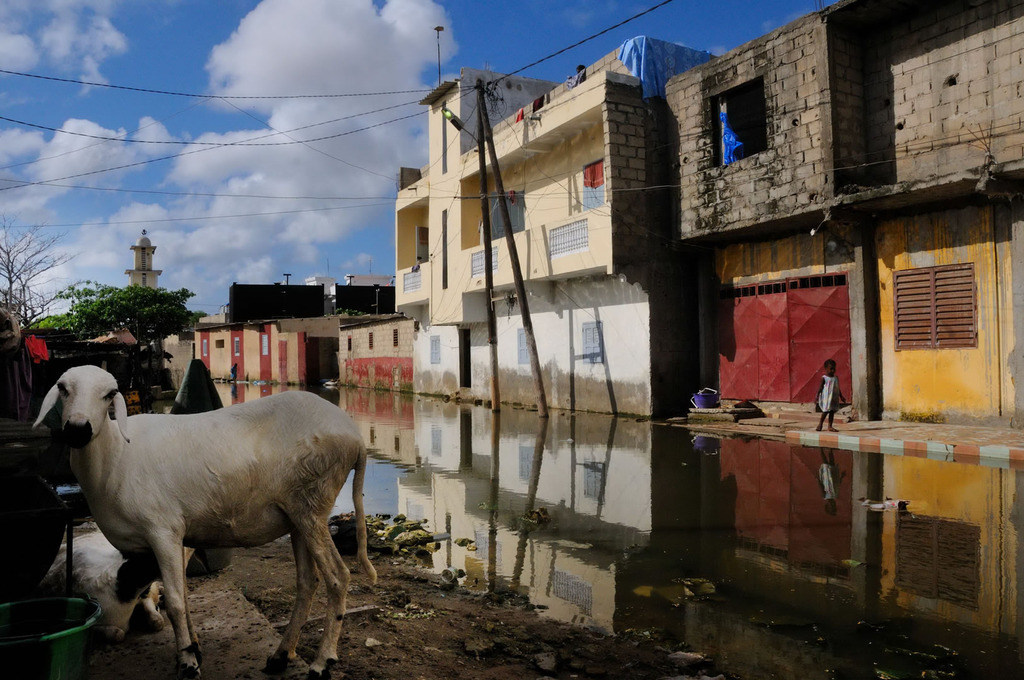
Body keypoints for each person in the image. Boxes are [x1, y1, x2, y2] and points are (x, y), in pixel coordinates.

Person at [815, 358, 845, 432]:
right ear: (826, 369)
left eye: (834, 369)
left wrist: (841, 396)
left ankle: (830, 426)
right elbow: (820, 388)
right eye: (831, 369)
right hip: (827, 398)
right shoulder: (824, 378)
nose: (833, 370)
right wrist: (817, 396)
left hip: (833, 397)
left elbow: (837, 388)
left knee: (832, 412)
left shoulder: (835, 378)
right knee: (825, 411)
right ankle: (820, 424)